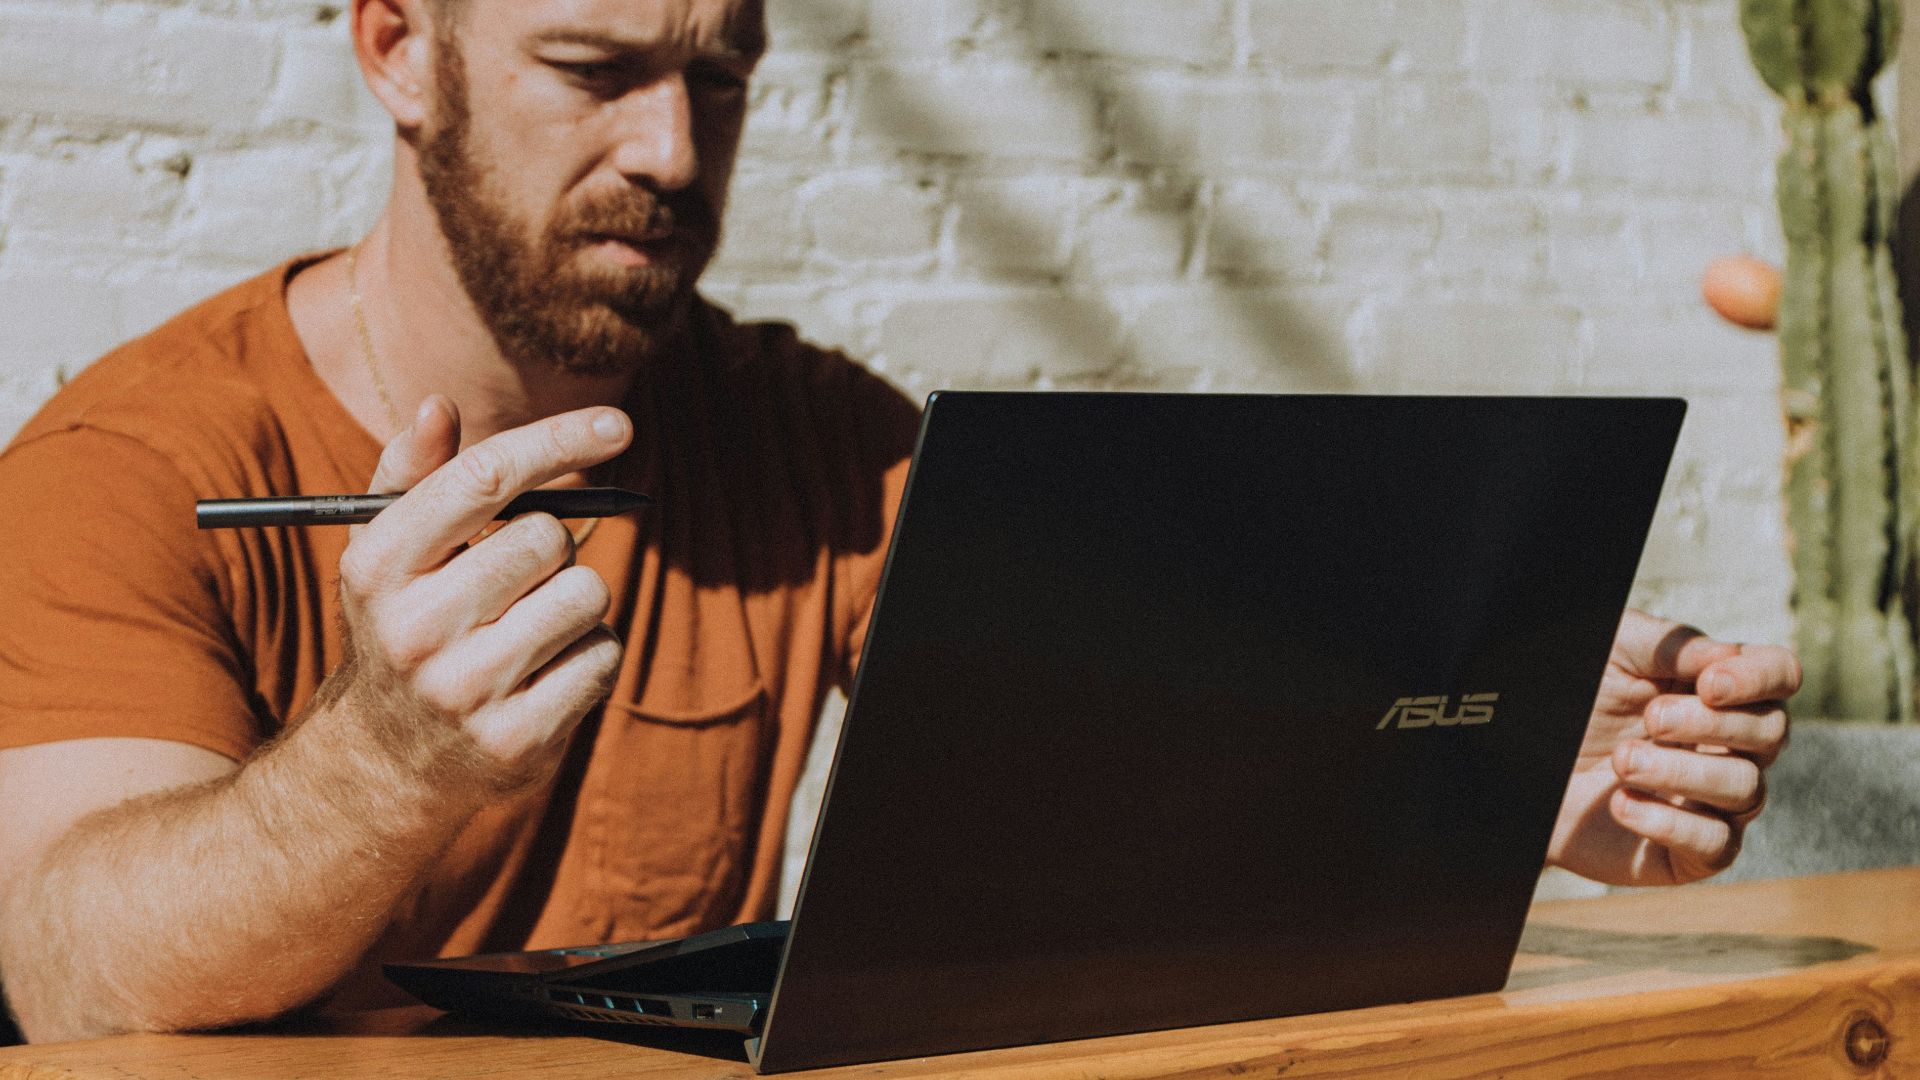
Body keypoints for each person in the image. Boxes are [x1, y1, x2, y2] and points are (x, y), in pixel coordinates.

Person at [0, 0, 1798, 1045]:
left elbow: (1149, 722)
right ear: (399, 46)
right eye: (597, 67)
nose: (675, 153)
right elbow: (72, 973)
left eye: (720, 79)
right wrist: (379, 758)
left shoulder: (800, 439)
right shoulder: (133, 465)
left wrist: (1471, 771)